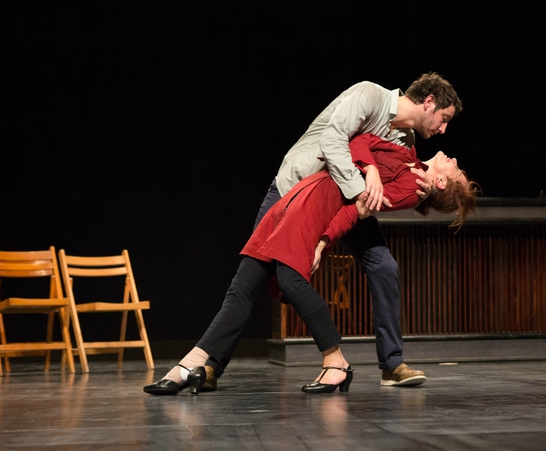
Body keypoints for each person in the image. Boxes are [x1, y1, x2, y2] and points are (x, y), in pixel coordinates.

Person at [144, 73, 463, 394]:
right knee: (256, 275)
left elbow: (392, 186)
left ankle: (390, 364)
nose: (443, 129)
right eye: (444, 119)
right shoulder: (371, 96)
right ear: (429, 102)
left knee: (384, 266)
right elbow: (336, 140)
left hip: (345, 202)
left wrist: (419, 190)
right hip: (298, 189)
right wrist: (369, 179)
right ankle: (210, 365)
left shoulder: (407, 140)